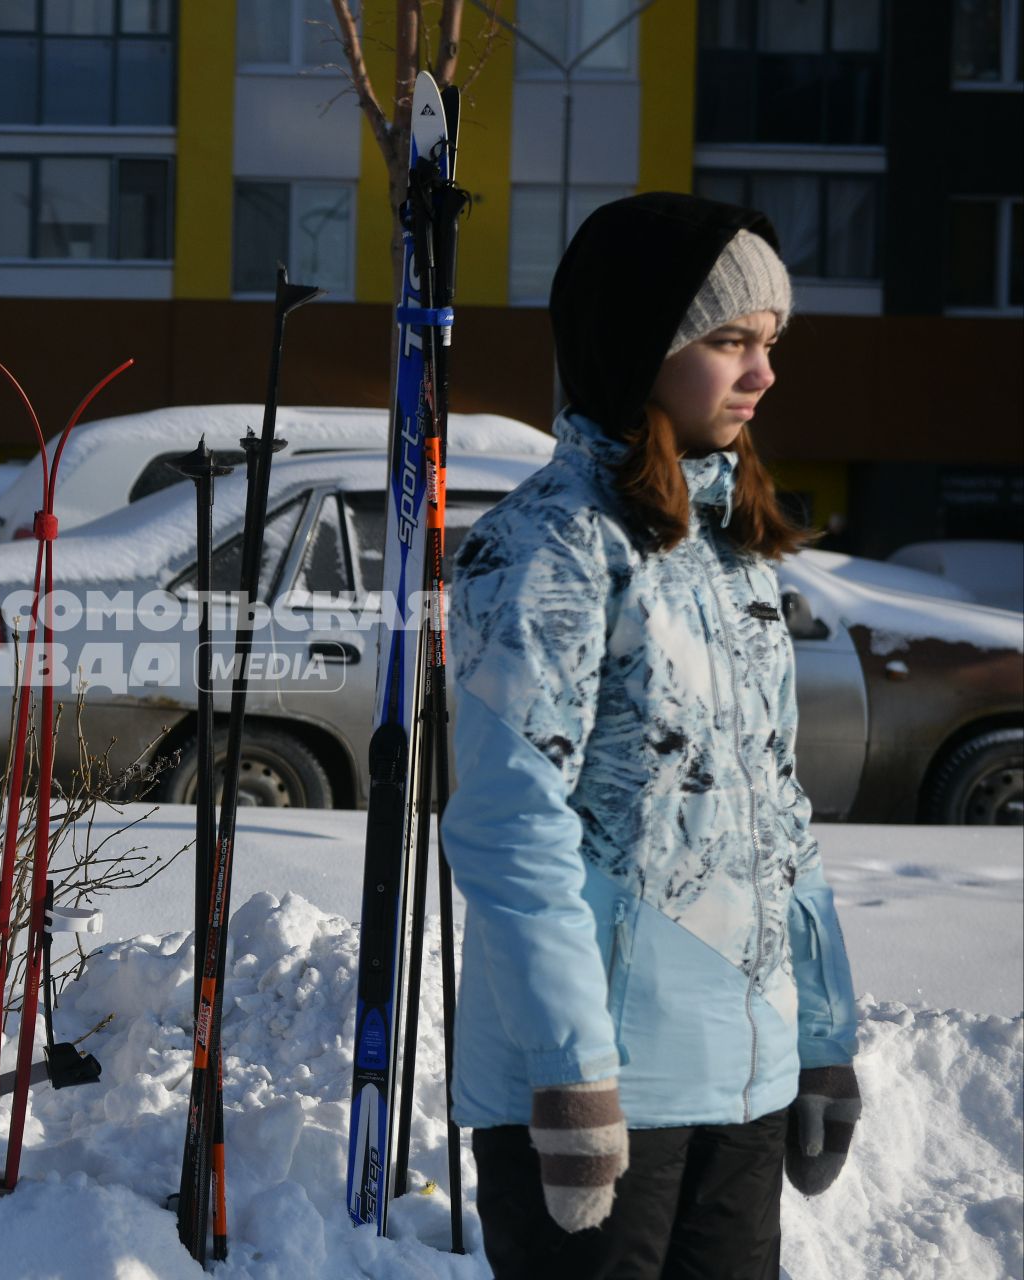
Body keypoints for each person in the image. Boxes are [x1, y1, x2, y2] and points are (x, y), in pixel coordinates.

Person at [440, 192, 862, 1278]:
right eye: (730, 341)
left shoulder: (731, 551)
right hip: (601, 1083)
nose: (763, 373)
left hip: (745, 1075)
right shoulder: (545, 549)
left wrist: (820, 1037)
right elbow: (508, 825)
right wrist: (570, 1076)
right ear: (640, 346)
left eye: (768, 343)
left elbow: (778, 810)